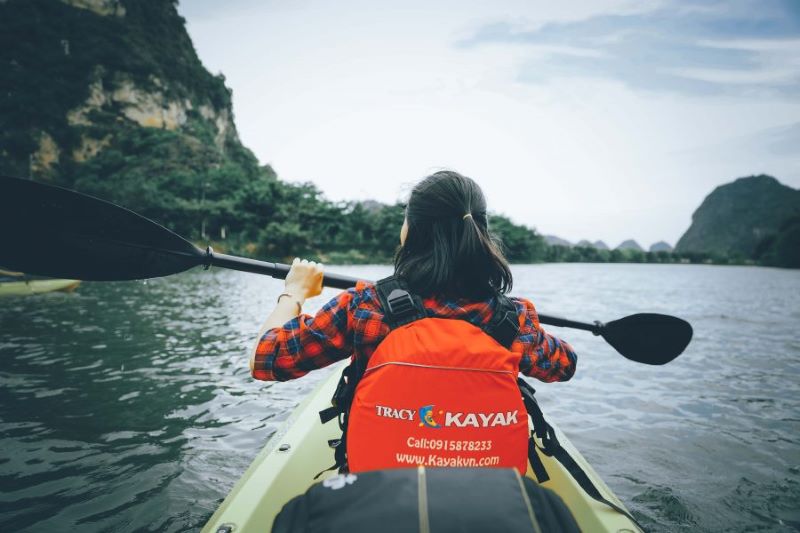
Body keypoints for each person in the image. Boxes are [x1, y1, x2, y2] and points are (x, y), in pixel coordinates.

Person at [250, 170, 576, 473]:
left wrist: (294, 293)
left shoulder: (364, 306)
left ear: (411, 231)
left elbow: (266, 359)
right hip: (482, 498)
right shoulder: (514, 319)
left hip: (381, 490)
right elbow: (564, 366)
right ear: (479, 230)